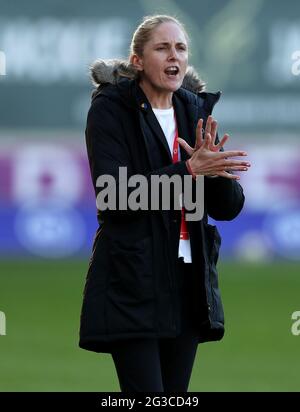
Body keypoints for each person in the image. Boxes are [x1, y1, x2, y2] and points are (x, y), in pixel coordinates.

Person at [79, 14, 250, 392]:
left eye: (181, 47)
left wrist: (217, 173)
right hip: (133, 278)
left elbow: (228, 208)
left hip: (188, 283)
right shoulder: (110, 109)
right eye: (162, 47)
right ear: (137, 60)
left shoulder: (194, 109)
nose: (174, 55)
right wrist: (189, 169)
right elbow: (115, 196)